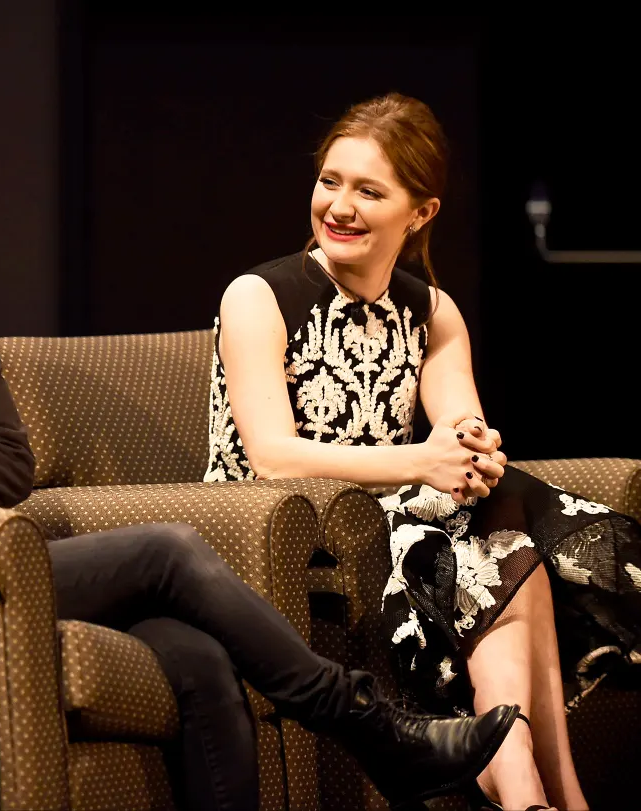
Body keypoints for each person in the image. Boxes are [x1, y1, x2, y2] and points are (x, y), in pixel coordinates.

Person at [0, 86, 521, 811]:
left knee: (196, 656)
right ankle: (374, 728)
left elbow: (3, 461)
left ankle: (381, 738)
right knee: (168, 550)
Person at [205, 92, 641, 811]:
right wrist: (424, 463)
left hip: (395, 524)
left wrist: (476, 454)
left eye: (368, 191)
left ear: (421, 213)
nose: (339, 206)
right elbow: (272, 457)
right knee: (496, 529)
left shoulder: (432, 312)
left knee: (498, 516)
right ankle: (546, 789)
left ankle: (524, 782)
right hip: (271, 527)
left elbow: (460, 428)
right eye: (330, 181)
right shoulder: (257, 295)